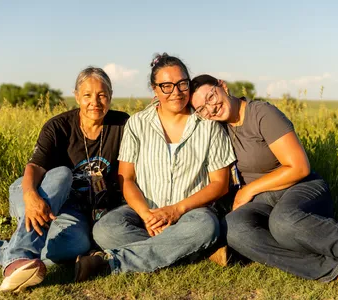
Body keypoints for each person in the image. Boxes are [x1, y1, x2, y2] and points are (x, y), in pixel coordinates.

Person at [189, 74, 338, 291]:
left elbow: (300, 167)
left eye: (211, 97)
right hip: (264, 200)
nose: (211, 108)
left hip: (301, 187)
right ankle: (337, 269)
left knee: (284, 222)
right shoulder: (219, 128)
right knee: (234, 229)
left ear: (223, 87)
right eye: (201, 108)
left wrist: (249, 190)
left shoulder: (261, 113)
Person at [73, 53, 236, 281]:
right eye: (166, 86)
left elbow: (220, 184)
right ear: (155, 89)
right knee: (105, 229)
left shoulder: (208, 125)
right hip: (146, 209)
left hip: (191, 213)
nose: (176, 92)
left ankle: (111, 262)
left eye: (181, 84)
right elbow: (126, 178)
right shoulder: (138, 124)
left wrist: (177, 210)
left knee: (205, 226)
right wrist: (147, 215)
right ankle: (194, 250)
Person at [0, 67, 129, 292]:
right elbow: (34, 167)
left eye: (102, 95)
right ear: (76, 96)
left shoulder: (122, 125)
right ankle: (16, 257)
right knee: (62, 174)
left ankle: (0, 250)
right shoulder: (58, 126)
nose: (95, 102)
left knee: (76, 245)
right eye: (87, 95)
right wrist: (31, 197)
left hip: (70, 209)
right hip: (38, 190)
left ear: (110, 95)